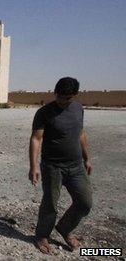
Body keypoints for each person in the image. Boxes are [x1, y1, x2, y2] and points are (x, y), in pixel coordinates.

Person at [29, 77, 93, 254]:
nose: (62, 101)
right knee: (50, 204)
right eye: (59, 96)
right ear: (55, 93)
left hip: (76, 166)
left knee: (85, 203)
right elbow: (36, 138)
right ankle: (42, 235)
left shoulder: (78, 109)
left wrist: (87, 158)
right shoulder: (44, 113)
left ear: (74, 96)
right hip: (53, 167)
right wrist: (33, 166)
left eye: (67, 98)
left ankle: (64, 228)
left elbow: (81, 133)